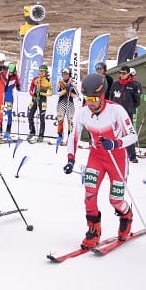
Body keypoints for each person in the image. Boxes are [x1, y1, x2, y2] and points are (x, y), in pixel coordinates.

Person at [61, 73, 137, 248]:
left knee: (115, 200)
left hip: (116, 158)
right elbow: (73, 136)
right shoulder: (82, 114)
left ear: (103, 96)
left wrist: (115, 143)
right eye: (88, 98)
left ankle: (126, 216)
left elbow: (132, 136)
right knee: (89, 195)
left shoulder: (116, 110)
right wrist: (70, 159)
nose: (91, 102)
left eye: (95, 98)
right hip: (96, 157)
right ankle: (93, 230)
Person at [108, 65, 142, 163]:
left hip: (127, 113)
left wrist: (130, 108)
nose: (121, 75)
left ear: (128, 73)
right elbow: (111, 97)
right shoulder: (115, 84)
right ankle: (113, 153)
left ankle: (132, 155)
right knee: (114, 132)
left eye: (124, 73)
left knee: (129, 133)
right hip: (115, 113)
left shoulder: (134, 85)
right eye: (120, 73)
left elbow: (137, 101)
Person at [27, 64, 52, 143]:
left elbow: (51, 92)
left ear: (45, 72)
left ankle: (41, 135)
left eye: (43, 71)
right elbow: (31, 89)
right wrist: (33, 95)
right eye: (40, 71)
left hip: (43, 100)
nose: (41, 73)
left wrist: (43, 94)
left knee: (42, 117)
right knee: (30, 115)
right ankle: (32, 132)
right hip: (34, 99)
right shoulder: (35, 79)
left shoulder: (48, 81)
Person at [54, 67, 78, 141]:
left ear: (69, 74)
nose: (65, 75)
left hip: (70, 103)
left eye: (67, 74)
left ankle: (70, 138)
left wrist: (70, 92)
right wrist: (65, 90)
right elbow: (57, 93)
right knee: (60, 119)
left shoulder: (72, 82)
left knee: (70, 121)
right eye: (64, 74)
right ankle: (60, 137)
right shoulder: (60, 82)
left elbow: (77, 95)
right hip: (61, 103)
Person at [3, 62, 20, 137]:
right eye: (9, 71)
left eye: (11, 72)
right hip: (2, 97)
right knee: (0, 113)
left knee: (9, 114)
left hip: (9, 97)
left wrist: (18, 86)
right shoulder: (4, 75)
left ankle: (8, 131)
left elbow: (18, 84)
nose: (10, 73)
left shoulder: (15, 77)